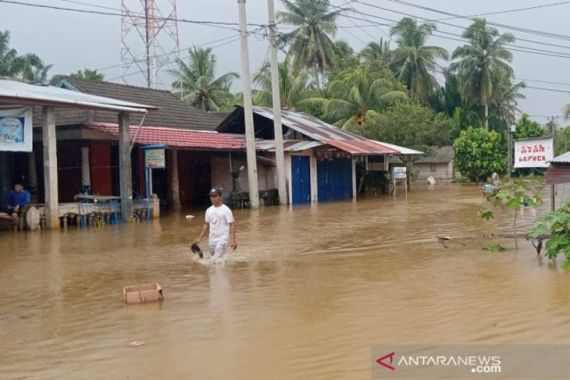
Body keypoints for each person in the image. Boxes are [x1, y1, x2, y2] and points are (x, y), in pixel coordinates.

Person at [193, 187, 237, 259]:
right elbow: (206, 225)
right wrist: (199, 238)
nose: (213, 198)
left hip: (222, 239)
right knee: (215, 260)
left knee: (215, 259)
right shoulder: (209, 210)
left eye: (215, 196)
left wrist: (233, 240)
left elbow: (232, 224)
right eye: (211, 196)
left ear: (220, 197)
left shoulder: (226, 210)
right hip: (212, 239)